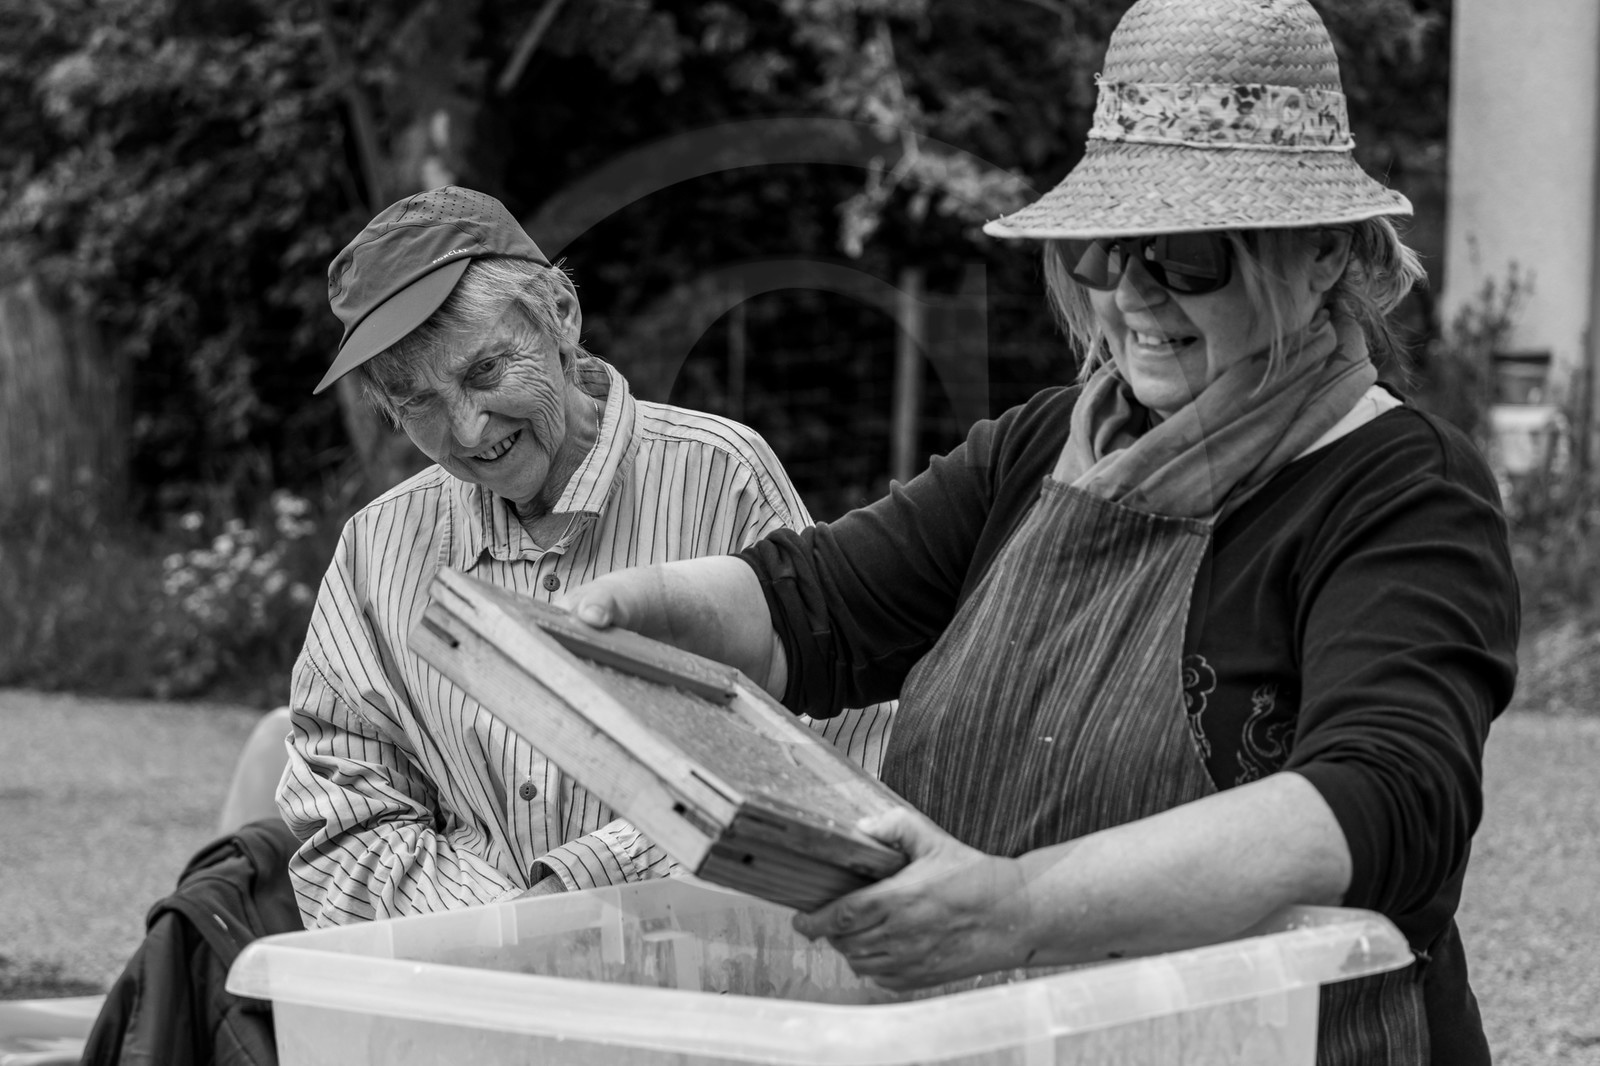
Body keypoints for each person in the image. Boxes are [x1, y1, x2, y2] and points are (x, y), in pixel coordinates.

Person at [561, 1, 1518, 1063]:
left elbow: (1385, 795)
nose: (1132, 293)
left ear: (1326, 253)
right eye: (1106, 250)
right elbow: (812, 605)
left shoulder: (1400, 489)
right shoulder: (1046, 445)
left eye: (1188, 253)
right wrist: (637, 610)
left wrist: (1011, 907)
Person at [275, 186, 891, 928]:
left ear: (560, 315)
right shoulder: (378, 547)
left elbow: (808, 760)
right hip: (479, 1004)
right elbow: (342, 814)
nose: (467, 430)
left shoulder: (721, 476)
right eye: (419, 405)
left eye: (483, 373)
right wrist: (495, 935)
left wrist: (578, 898)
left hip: (694, 974)